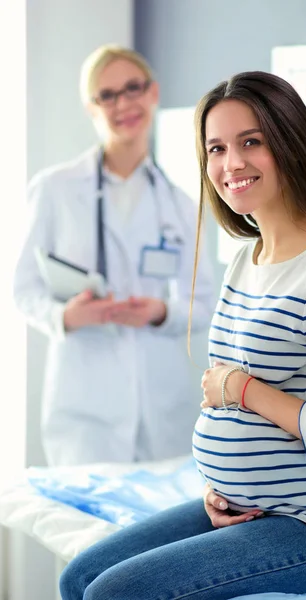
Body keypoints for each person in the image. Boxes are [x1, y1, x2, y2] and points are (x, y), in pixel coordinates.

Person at [59, 71, 306, 598]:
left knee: (112, 593)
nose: (230, 164)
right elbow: (223, 402)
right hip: (242, 507)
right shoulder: (246, 257)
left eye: (250, 142)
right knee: (76, 576)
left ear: (290, 144)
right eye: (216, 148)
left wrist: (242, 390)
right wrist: (221, 486)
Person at [13, 45, 214, 466]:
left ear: (153, 92)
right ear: (91, 107)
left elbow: (205, 305)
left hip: (161, 404)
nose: (123, 104)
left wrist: (161, 311)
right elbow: (24, 289)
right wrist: (66, 316)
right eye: (107, 95)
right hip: (86, 408)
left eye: (132, 89)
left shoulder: (179, 203)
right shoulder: (55, 189)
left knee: (163, 528)